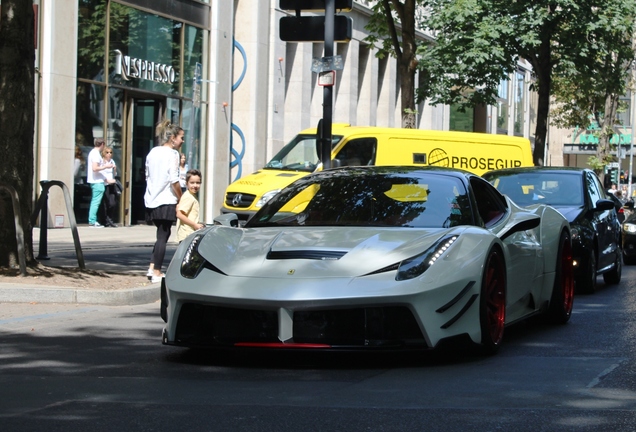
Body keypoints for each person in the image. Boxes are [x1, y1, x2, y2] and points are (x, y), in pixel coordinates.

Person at [145, 120, 184, 283]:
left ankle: (152, 266)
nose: (182, 141)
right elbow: (173, 179)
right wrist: (181, 197)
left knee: (160, 234)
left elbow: (147, 174)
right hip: (166, 198)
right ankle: (157, 271)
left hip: (151, 198)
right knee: (164, 234)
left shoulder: (153, 152)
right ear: (173, 138)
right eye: (181, 137)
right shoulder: (173, 154)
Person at [87, 138, 113, 228]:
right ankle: (92, 221)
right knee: (95, 202)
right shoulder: (95, 154)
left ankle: (92, 220)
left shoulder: (94, 153)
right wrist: (106, 166)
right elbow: (95, 168)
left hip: (97, 181)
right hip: (97, 182)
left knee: (95, 202)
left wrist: (105, 179)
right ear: (102, 144)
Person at [176, 169, 205, 243]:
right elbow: (179, 214)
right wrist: (195, 225)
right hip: (186, 235)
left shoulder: (192, 196)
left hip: (190, 233)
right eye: (192, 183)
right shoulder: (188, 197)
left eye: (198, 183)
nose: (195, 185)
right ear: (186, 183)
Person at [101, 146, 119, 227]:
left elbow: (114, 174)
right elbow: (100, 173)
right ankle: (105, 221)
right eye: (107, 152)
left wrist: (115, 169)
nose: (109, 154)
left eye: (110, 152)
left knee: (112, 203)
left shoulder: (112, 161)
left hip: (112, 184)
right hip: (105, 184)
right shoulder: (102, 162)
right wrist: (107, 180)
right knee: (105, 203)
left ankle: (110, 219)